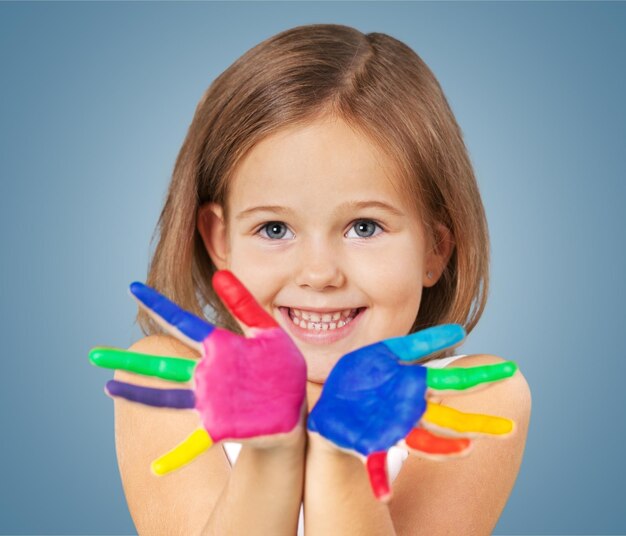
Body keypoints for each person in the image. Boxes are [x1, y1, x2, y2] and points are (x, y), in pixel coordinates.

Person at [111, 23, 531, 535]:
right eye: (274, 228)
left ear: (434, 249)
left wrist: (339, 455)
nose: (319, 274)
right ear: (219, 240)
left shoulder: (472, 398)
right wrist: (272, 448)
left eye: (364, 227)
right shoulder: (169, 379)